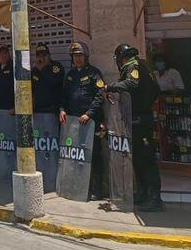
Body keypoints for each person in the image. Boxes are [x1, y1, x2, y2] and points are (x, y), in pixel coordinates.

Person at [107, 43, 163, 212]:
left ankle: (155, 198)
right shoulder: (141, 66)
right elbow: (155, 89)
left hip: (140, 118)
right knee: (138, 157)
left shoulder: (133, 66)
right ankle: (143, 192)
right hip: (135, 117)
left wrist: (111, 86)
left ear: (120, 58)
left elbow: (132, 84)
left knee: (146, 158)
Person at [60, 42, 106, 201]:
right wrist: (62, 110)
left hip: (90, 122)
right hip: (73, 123)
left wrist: (89, 114)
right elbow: (64, 96)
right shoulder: (70, 74)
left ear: (85, 57)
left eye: (80, 55)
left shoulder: (94, 73)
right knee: (75, 157)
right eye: (75, 56)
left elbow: (100, 96)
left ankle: (96, 189)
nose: (77, 59)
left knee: (93, 156)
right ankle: (77, 186)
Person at [31, 42, 65, 115]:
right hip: (38, 110)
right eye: (39, 56)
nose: (42, 58)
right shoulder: (35, 70)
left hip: (52, 110)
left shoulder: (56, 66)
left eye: (44, 55)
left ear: (49, 55)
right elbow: (31, 88)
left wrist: (42, 70)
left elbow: (54, 82)